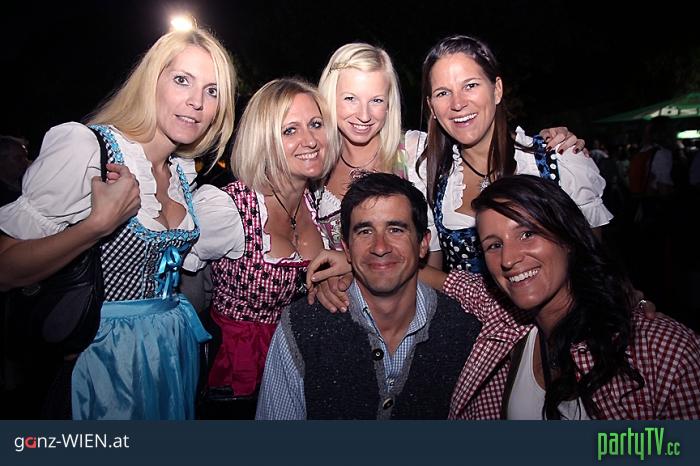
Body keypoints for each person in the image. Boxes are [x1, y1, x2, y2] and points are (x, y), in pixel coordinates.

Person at [0, 28, 237, 419]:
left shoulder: (180, 173)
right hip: (104, 365)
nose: (197, 102)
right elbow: (6, 268)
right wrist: (96, 225)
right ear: (151, 82)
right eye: (182, 80)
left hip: (170, 356)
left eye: (212, 91)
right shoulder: (89, 149)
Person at [441, 175, 699, 419]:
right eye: (494, 245)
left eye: (527, 234)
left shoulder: (661, 349)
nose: (508, 259)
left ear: (567, 238)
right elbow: (429, 275)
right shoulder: (505, 321)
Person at [316, 42, 583, 252]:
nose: (364, 115)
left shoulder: (417, 151)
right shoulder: (314, 167)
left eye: (376, 100)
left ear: (389, 104)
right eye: (350, 98)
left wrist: (547, 141)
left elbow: (475, 133)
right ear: (329, 97)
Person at [256, 173, 481, 419]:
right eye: (365, 231)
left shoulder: (464, 332)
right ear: (346, 249)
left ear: (423, 244)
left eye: (396, 229)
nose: (380, 247)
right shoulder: (301, 327)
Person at [189, 78, 336, 406]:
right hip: (236, 371)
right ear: (263, 139)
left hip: (298, 359)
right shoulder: (230, 209)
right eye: (290, 130)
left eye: (315, 124)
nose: (310, 140)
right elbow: (177, 283)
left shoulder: (319, 203)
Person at [414, 35, 612, 273]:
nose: (458, 103)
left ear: (497, 89)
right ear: (432, 107)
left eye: (470, 85)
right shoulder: (432, 175)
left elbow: (595, 269)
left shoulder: (556, 159)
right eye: (443, 93)